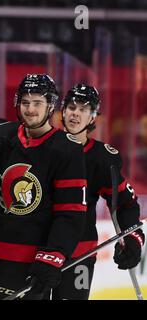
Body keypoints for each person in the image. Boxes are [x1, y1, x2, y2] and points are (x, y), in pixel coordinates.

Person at [0, 74, 88, 300]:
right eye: (25, 102)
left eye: (37, 103)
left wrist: (53, 255)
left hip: (25, 260)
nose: (30, 109)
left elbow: (70, 213)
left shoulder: (67, 150)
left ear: (50, 105)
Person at [56, 83, 144, 300]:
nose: (75, 113)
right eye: (71, 107)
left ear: (93, 117)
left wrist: (132, 237)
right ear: (63, 111)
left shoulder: (102, 159)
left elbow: (125, 204)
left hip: (79, 254)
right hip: (36, 250)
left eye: (83, 109)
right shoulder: (45, 148)